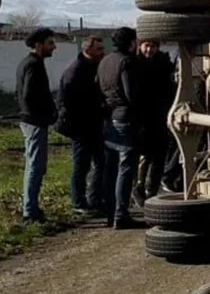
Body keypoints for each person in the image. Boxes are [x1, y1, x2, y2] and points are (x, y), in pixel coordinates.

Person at [98, 27, 147, 229]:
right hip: (126, 118)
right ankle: (121, 214)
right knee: (126, 169)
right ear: (131, 43)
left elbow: (98, 89)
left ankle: (110, 212)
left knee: (111, 168)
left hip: (110, 118)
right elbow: (130, 94)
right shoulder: (126, 62)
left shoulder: (105, 61)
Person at [56, 35, 106, 217]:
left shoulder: (92, 67)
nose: (102, 52)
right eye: (99, 49)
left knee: (101, 162)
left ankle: (95, 199)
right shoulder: (76, 71)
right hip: (80, 127)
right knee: (81, 165)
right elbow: (67, 102)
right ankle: (78, 202)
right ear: (87, 49)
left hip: (93, 124)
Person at [16, 27, 58, 224]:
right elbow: (29, 96)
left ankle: (31, 208)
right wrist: (45, 114)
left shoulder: (32, 62)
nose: (54, 47)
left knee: (36, 166)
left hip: (34, 121)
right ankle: (29, 212)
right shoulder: (33, 64)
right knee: (35, 166)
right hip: (34, 122)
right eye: (50, 43)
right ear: (38, 45)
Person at [133, 39, 176, 205]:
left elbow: (170, 88)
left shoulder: (164, 64)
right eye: (147, 46)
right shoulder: (135, 64)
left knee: (159, 156)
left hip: (161, 115)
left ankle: (152, 190)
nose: (149, 50)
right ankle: (139, 186)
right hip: (143, 117)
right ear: (140, 46)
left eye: (153, 46)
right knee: (144, 156)